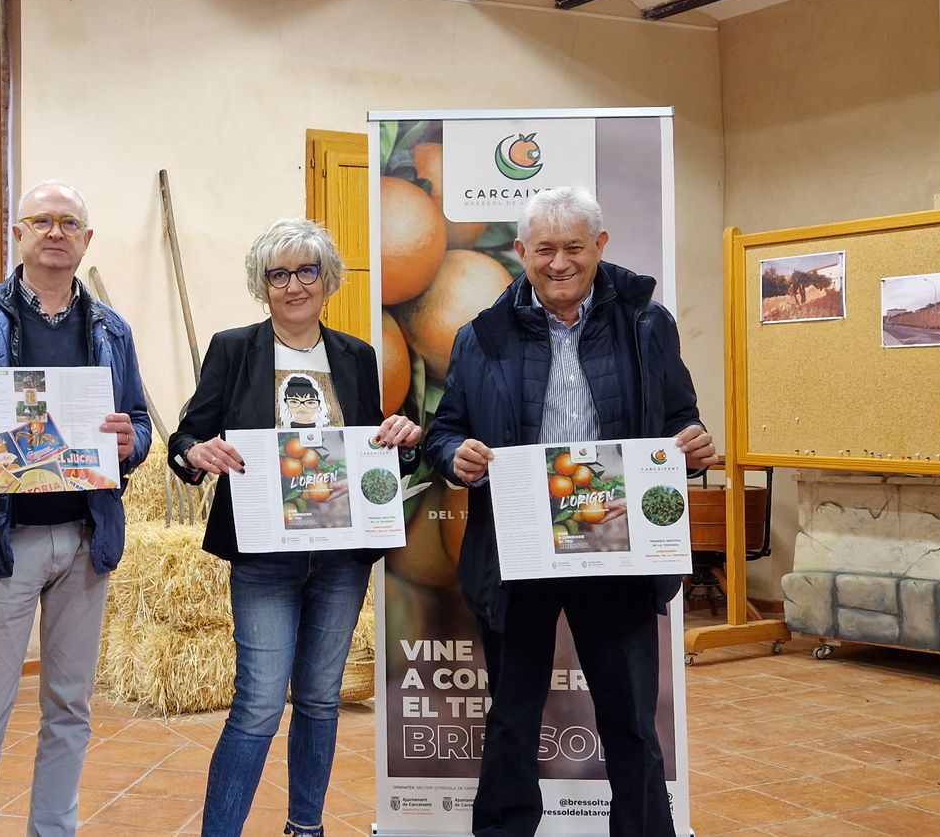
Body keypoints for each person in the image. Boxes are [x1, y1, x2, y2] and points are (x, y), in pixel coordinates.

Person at [424, 186, 716, 837]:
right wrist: (454, 457)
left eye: (574, 248)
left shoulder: (646, 324)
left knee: (631, 718)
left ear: (600, 247)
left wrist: (692, 443)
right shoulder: (482, 337)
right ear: (522, 251)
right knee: (512, 716)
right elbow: (445, 429)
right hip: (518, 544)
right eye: (545, 249)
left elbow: (679, 418)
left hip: (620, 545)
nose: (560, 263)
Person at [168, 218, 421, 837]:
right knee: (256, 706)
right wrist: (194, 453)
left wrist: (404, 436)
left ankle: (305, 828)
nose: (293, 285)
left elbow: (385, 444)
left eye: (306, 271)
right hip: (264, 556)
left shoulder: (358, 356)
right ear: (263, 285)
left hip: (339, 557)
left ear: (327, 280)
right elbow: (186, 434)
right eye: (278, 274)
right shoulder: (234, 349)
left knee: (318, 699)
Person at [0, 180, 151, 837]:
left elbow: (136, 419)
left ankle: (53, 830)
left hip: (86, 539)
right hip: (3, 543)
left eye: (69, 222)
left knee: (70, 709)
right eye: (42, 220)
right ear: (19, 233)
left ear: (86, 239)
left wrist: (135, 442)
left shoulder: (112, 328)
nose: (55, 232)